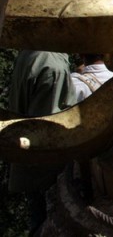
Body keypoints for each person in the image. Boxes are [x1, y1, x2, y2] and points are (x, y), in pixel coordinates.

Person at [7, 50, 76, 235]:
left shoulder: (30, 53)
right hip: (47, 174)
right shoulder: (53, 68)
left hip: (29, 166)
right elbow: (49, 133)